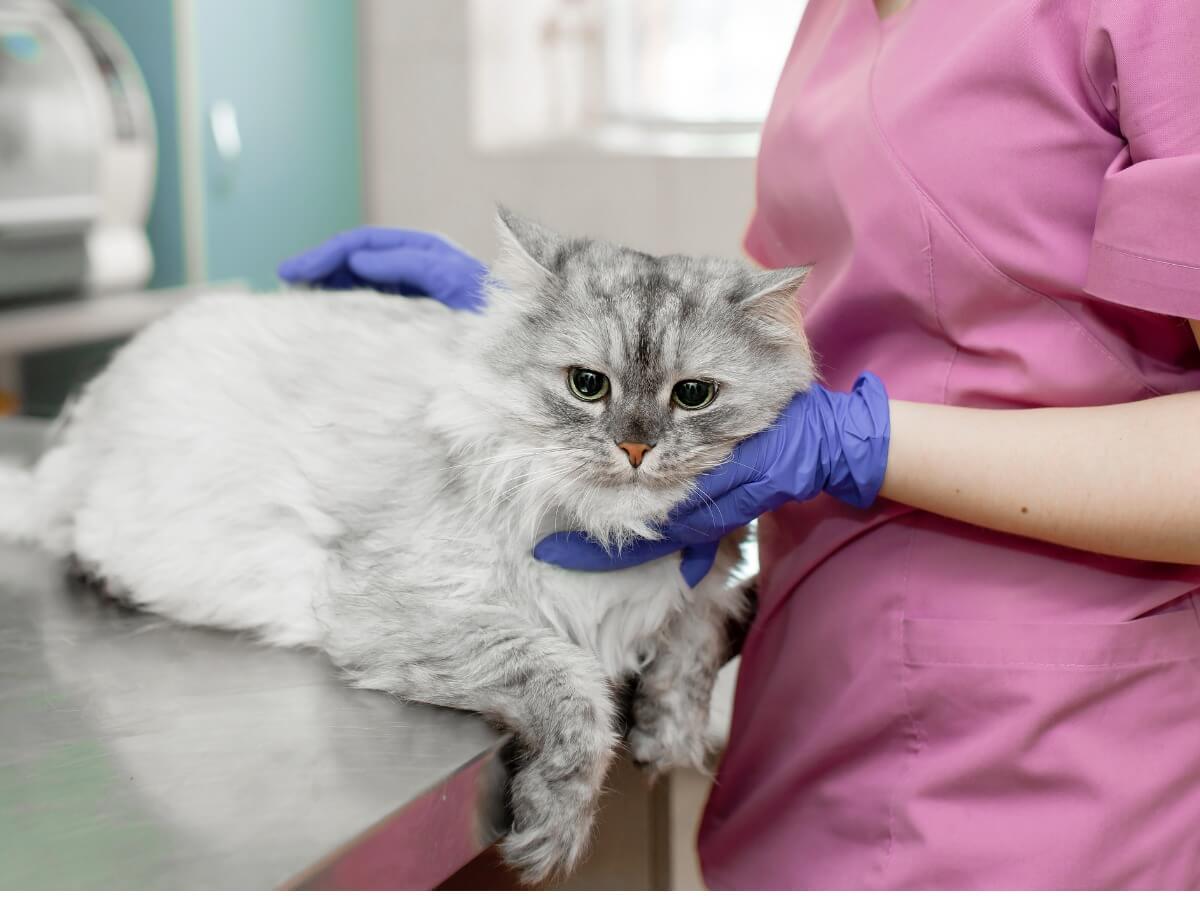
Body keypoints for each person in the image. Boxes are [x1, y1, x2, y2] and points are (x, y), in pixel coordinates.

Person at [279, 0, 1200, 888]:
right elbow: (800, 321)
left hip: (1043, 753)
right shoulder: (833, 14)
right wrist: (541, 326)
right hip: (814, 690)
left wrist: (859, 442)